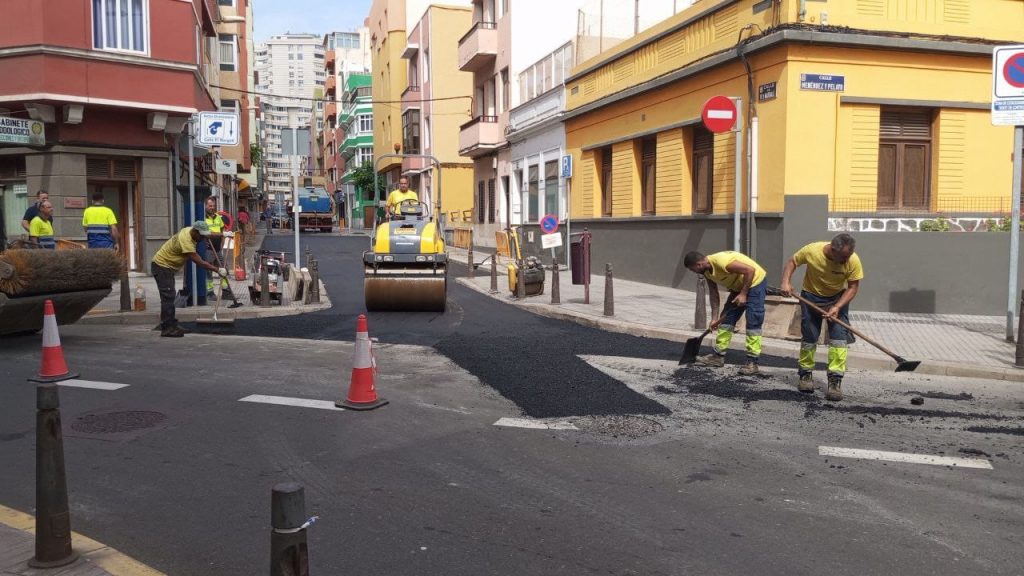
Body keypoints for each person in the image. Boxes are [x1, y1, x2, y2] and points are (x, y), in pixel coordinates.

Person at [780, 233, 864, 402]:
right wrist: (785, 282)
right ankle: (805, 375)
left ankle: (835, 380)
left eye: (848, 257)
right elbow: (792, 262)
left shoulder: (853, 260)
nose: (846, 261)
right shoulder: (812, 250)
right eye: (843, 258)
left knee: (839, 340)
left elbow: (853, 287)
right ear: (832, 250)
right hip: (811, 297)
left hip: (837, 298)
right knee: (810, 337)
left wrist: (837, 307)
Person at [684, 250, 768, 375]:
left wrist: (743, 294)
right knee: (726, 320)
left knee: (753, 322)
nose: (693, 272)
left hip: (755, 282)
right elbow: (714, 294)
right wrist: (714, 318)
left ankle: (752, 362)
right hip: (738, 286)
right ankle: (718, 356)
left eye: (692, 269)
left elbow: (750, 270)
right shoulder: (707, 272)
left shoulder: (722, 262)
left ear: (699, 265)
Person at [150, 221, 225, 337]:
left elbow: (209, 233)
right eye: (201, 236)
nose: (202, 239)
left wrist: (224, 234)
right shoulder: (186, 241)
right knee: (168, 297)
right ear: (195, 232)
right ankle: (167, 328)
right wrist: (217, 270)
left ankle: (172, 324)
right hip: (162, 266)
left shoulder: (192, 230)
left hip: (167, 268)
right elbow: (199, 262)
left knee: (170, 295)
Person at [203, 197, 231, 297]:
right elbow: (206, 233)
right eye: (210, 206)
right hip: (208, 249)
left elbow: (222, 228)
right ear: (205, 206)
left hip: (218, 248)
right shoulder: (203, 219)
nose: (212, 207)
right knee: (208, 271)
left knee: (224, 269)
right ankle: (209, 292)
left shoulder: (218, 217)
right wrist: (220, 235)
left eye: (213, 206)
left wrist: (222, 242)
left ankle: (226, 291)